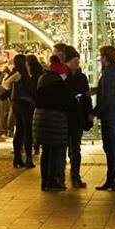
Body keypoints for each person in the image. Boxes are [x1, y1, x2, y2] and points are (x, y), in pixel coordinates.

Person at [34, 56, 77, 192]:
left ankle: (45, 181)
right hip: (54, 121)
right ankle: (53, 181)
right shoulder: (58, 84)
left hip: (41, 119)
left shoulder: (43, 80)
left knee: (46, 151)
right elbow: (67, 103)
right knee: (55, 152)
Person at [93, 45, 115, 191]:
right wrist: (97, 90)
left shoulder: (108, 74)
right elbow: (111, 91)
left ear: (105, 58)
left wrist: (94, 112)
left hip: (110, 114)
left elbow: (107, 97)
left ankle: (111, 179)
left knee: (110, 147)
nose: (100, 59)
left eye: (101, 57)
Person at [62, 45, 91, 189]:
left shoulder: (82, 77)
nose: (77, 62)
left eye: (78, 59)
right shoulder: (63, 77)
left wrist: (89, 114)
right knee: (62, 148)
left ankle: (75, 176)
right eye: (75, 59)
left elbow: (86, 97)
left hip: (77, 117)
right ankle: (60, 177)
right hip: (64, 117)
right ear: (68, 62)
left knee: (75, 149)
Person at [3, 53, 36, 168]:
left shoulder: (18, 73)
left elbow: (6, 84)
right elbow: (5, 83)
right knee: (27, 131)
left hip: (17, 105)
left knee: (20, 131)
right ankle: (28, 158)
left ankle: (17, 158)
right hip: (26, 105)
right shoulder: (20, 74)